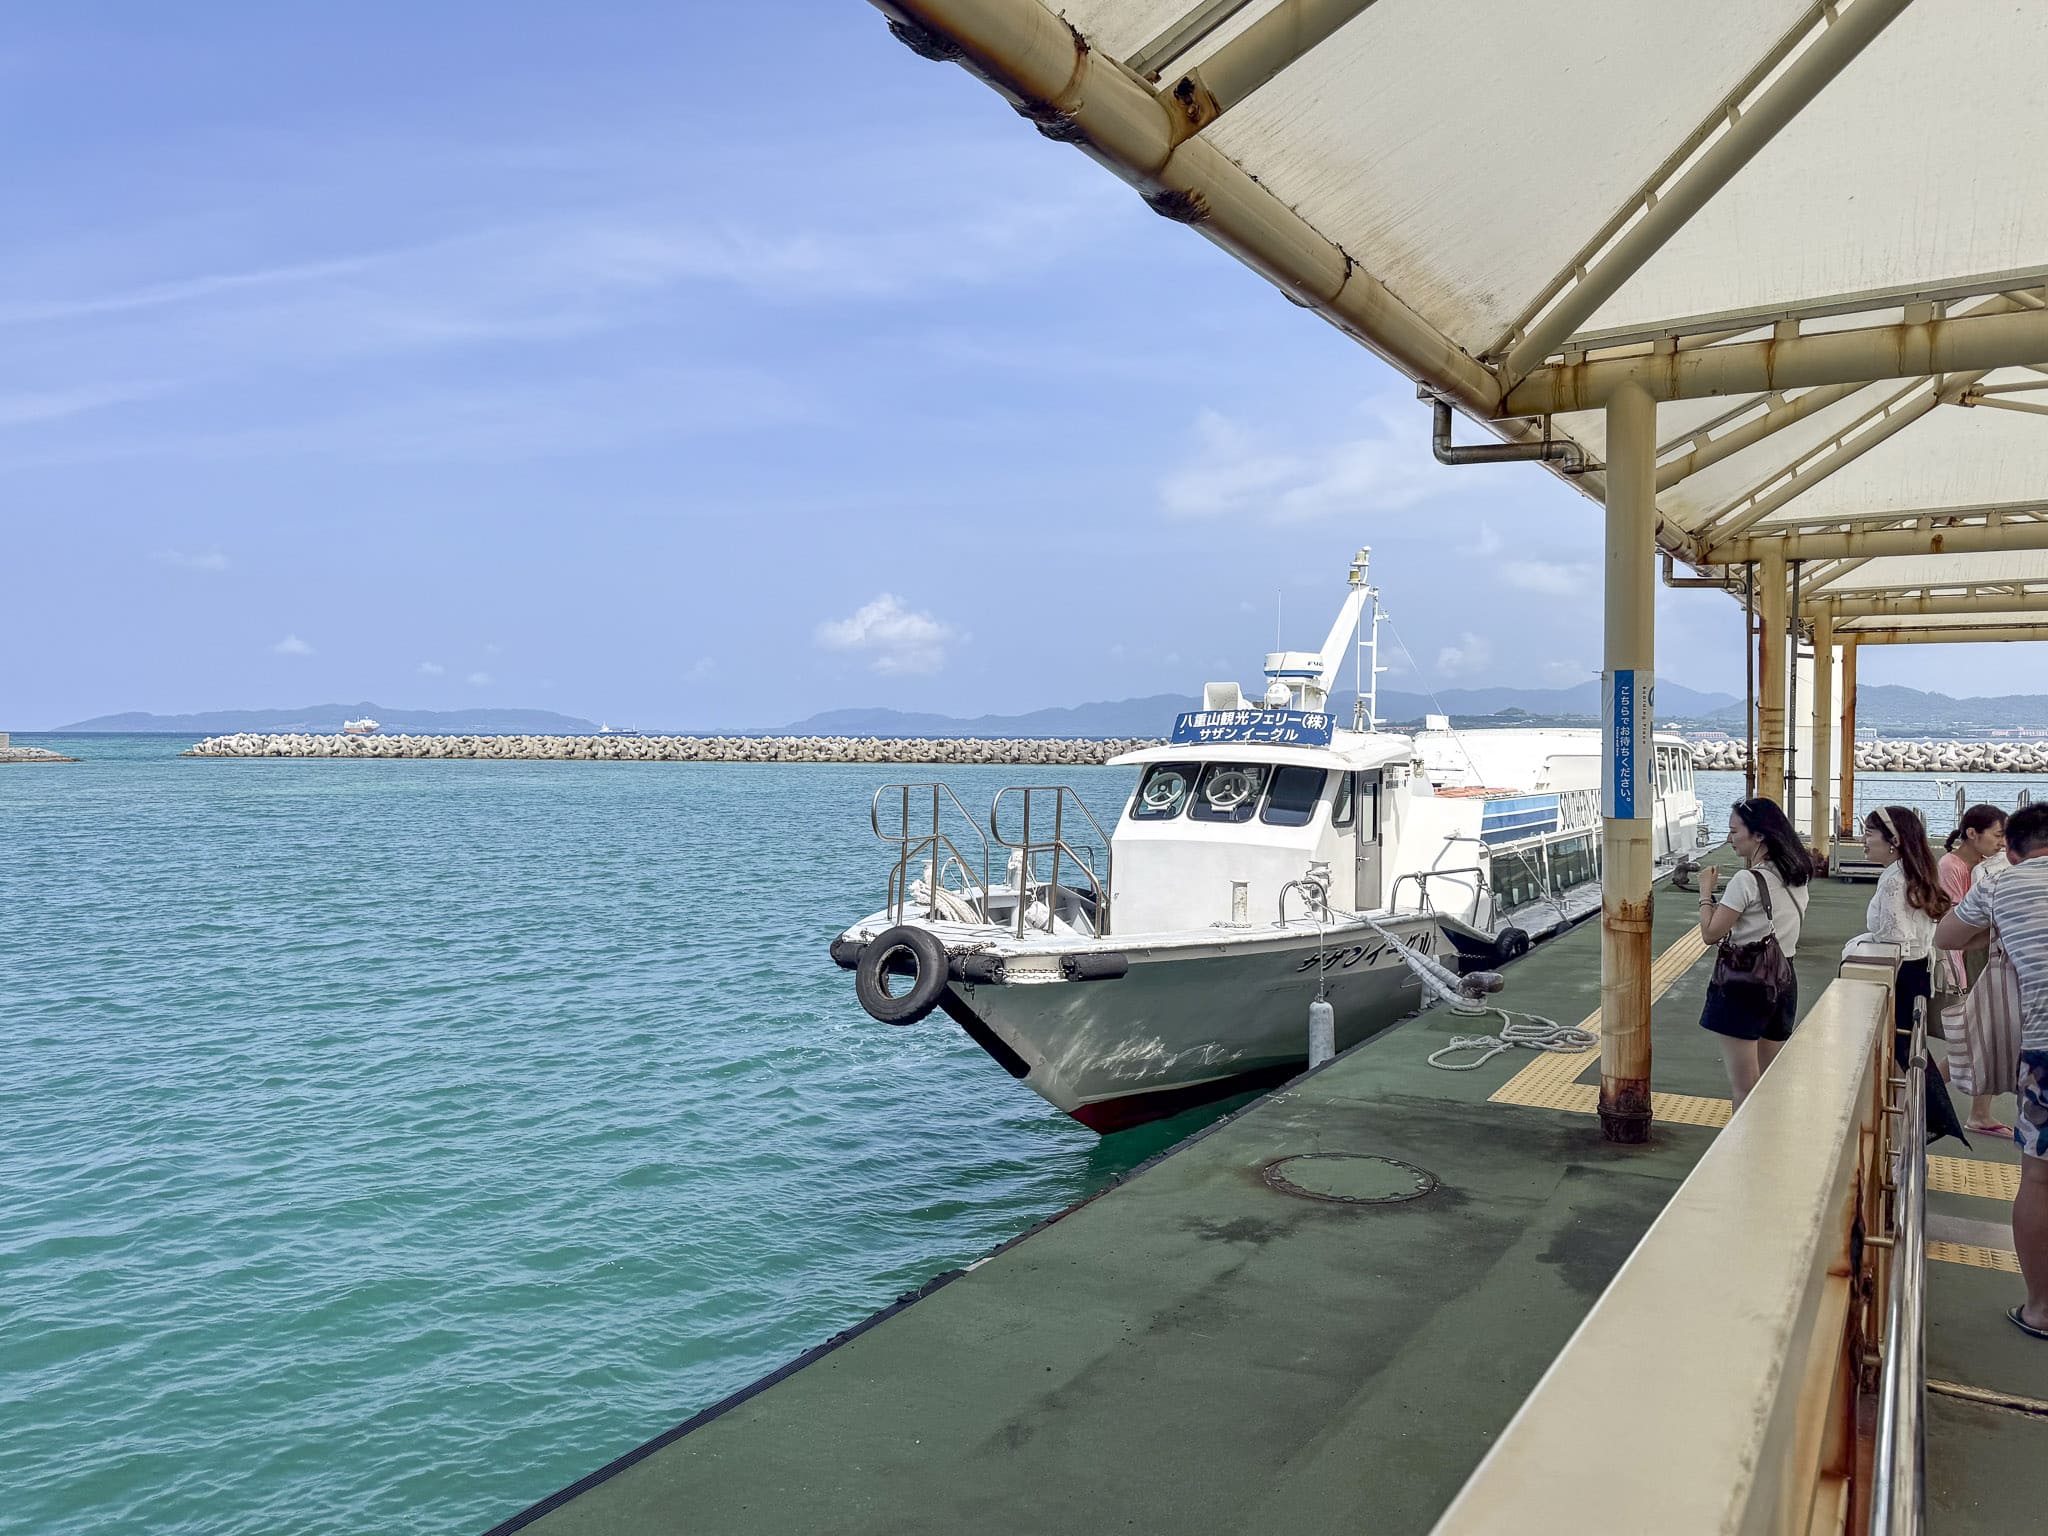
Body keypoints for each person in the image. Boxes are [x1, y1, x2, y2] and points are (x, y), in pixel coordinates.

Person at [1936, 801, 2048, 1340]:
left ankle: (2041, 1310)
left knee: (2039, 1177)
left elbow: (1947, 938)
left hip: (2043, 1049)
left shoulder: (2003, 884)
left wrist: (2000, 932)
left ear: (2012, 849)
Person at [1696, 797, 1810, 1110]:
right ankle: (1769, 1148)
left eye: (1734, 831)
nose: (1729, 839)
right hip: (1784, 977)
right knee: (1768, 1082)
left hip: (1745, 984)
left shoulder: (1746, 880)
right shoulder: (1797, 877)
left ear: (1758, 835)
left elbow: (1711, 934)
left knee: (1745, 1089)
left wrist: (1706, 893)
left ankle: (1741, 1155)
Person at [1863, 805, 1967, 1144]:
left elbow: (1895, 939)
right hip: (1918, 972)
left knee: (1896, 1065)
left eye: (1869, 835)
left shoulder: (1894, 879)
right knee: (1910, 1059)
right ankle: (1914, 1132)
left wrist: (1860, 943)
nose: (1864, 842)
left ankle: (1901, 1140)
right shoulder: (1916, 871)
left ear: (1893, 841)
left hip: (1899, 978)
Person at [1939, 804, 2010, 1133]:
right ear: (1972, 833)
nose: (2001, 843)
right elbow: (1952, 922)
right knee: (1972, 1036)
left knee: (1978, 1036)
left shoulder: (1982, 867)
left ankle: (1978, 1110)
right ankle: (1925, 1089)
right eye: (1997, 835)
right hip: (1965, 957)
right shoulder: (1952, 866)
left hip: (1976, 954)